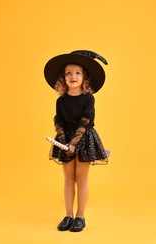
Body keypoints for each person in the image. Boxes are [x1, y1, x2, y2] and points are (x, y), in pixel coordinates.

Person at [44, 50, 109, 232]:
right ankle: (68, 215)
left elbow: (86, 119)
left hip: (84, 138)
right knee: (68, 178)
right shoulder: (61, 100)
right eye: (68, 73)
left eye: (77, 73)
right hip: (66, 141)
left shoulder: (88, 98)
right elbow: (58, 120)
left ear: (84, 77)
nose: (73, 76)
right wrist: (64, 141)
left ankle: (80, 216)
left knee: (81, 178)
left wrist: (74, 142)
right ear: (63, 78)